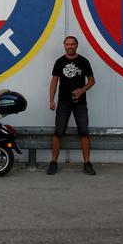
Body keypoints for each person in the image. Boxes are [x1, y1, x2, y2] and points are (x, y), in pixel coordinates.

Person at [48, 35, 96, 175]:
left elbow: (92, 80)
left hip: (80, 103)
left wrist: (82, 90)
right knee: (58, 133)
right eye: (68, 44)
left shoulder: (83, 61)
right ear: (64, 45)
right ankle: (53, 163)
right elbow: (54, 82)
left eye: (72, 44)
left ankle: (87, 163)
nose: (70, 46)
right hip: (63, 103)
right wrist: (51, 100)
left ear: (77, 45)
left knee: (84, 133)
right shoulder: (59, 62)